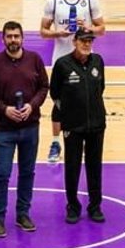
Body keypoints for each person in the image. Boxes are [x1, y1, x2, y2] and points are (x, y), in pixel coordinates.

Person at [0, 21, 48, 238]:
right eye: (9, 36)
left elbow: (44, 87)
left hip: (30, 127)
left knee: (27, 172)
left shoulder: (34, 60)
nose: (13, 40)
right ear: (3, 39)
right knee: (2, 173)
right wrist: (4, 109)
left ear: (22, 38)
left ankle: (23, 214)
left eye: (16, 36)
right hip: (4, 129)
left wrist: (32, 105)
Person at [40, 0, 104, 163]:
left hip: (86, 60)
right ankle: (56, 142)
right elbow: (43, 31)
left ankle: (85, 139)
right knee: (59, 103)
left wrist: (88, 28)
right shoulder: (53, 1)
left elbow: (102, 29)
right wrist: (58, 33)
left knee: (87, 99)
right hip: (61, 60)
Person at [49, 28, 108, 224]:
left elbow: (100, 88)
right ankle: (73, 206)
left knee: (95, 166)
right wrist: (69, 112)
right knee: (72, 167)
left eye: (90, 41)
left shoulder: (98, 61)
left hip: (96, 124)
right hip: (73, 126)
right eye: (83, 40)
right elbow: (55, 93)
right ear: (74, 42)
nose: (86, 44)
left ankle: (95, 206)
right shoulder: (62, 64)